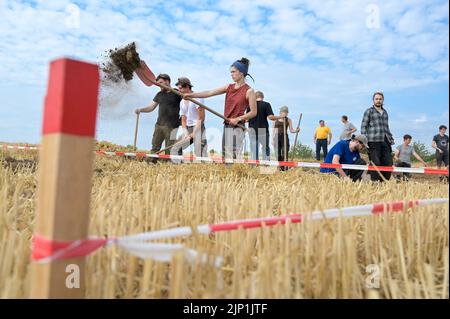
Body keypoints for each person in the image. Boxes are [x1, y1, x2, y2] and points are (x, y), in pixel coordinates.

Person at [183, 58, 257, 160]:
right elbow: (210, 92)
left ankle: (234, 175)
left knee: (231, 155)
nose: (231, 74)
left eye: (233, 72)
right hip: (227, 125)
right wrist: (192, 95)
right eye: (231, 72)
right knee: (225, 155)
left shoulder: (249, 91)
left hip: (238, 126)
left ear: (242, 73)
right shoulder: (229, 87)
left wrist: (238, 119)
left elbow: (253, 112)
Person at [135, 74, 182, 155]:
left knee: (169, 150)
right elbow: (151, 107)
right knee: (155, 148)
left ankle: (167, 166)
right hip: (159, 125)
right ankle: (151, 164)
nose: (159, 85)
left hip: (172, 126)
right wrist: (140, 110)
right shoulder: (159, 94)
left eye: (161, 82)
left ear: (167, 81)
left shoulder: (177, 93)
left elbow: (187, 104)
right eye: (157, 83)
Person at [361, 91, 394, 182]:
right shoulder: (369, 111)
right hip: (373, 140)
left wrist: (390, 138)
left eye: (380, 99)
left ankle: (383, 182)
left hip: (385, 140)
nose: (378, 100)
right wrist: (364, 141)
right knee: (376, 163)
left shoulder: (385, 112)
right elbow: (364, 126)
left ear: (383, 100)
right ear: (373, 100)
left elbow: (386, 127)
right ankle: (374, 183)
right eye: (377, 99)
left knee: (388, 163)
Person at [174, 77, 208, 157]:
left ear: (187, 87)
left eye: (180, 88)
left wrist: (194, 132)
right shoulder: (182, 102)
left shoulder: (197, 98)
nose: (179, 91)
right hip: (188, 128)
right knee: (176, 147)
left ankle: (204, 166)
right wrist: (186, 133)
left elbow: (201, 118)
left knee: (199, 150)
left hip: (198, 127)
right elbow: (183, 120)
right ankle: (179, 166)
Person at [246, 91, 283, 160]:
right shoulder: (266, 105)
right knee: (265, 147)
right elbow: (271, 117)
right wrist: (280, 117)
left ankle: (254, 166)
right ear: (262, 97)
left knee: (254, 148)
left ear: (254, 97)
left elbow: (247, 119)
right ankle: (266, 164)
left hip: (252, 130)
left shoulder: (250, 106)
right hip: (263, 130)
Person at [272, 106, 299, 171]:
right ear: (280, 112)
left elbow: (291, 130)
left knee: (285, 152)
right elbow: (273, 129)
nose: (285, 114)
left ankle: (285, 168)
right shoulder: (276, 119)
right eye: (284, 112)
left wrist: (296, 130)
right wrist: (272, 139)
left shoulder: (288, 120)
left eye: (286, 112)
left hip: (284, 137)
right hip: (277, 136)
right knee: (277, 153)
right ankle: (280, 167)